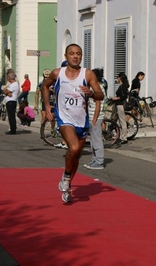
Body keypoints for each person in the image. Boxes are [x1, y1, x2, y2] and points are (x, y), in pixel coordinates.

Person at [42, 43, 104, 203]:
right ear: (66, 56)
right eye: (72, 53)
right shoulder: (58, 73)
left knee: (75, 157)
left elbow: (100, 95)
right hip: (64, 118)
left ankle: (67, 183)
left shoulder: (88, 74)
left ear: (81, 56)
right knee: (74, 147)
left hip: (81, 121)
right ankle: (66, 177)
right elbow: (44, 86)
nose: (75, 56)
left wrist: (90, 93)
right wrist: (47, 105)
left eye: (78, 53)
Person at [83, 68, 106, 170]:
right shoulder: (93, 87)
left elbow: (98, 105)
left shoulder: (98, 88)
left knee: (96, 139)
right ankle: (95, 158)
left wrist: (94, 119)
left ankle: (99, 160)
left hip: (95, 117)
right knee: (93, 139)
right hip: (92, 116)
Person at [112, 72, 130, 144]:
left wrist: (116, 98)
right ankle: (121, 136)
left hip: (121, 105)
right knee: (120, 121)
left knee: (122, 121)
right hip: (118, 105)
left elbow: (124, 96)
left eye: (118, 77)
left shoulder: (123, 86)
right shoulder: (122, 86)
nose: (117, 78)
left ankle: (124, 137)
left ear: (120, 78)